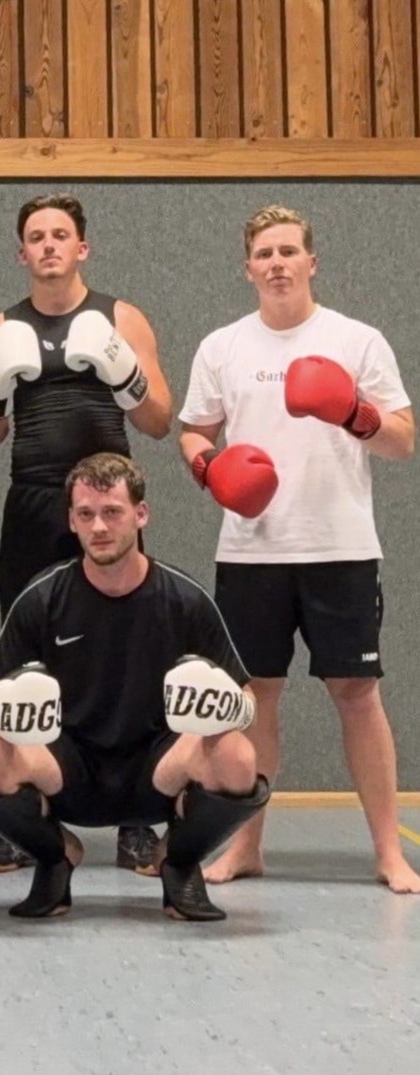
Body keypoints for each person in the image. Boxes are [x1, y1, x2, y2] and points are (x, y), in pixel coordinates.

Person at [179, 204, 420, 894]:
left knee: (357, 693)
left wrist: (354, 413)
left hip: (339, 545)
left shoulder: (357, 339)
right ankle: (246, 846)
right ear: (247, 268)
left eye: (289, 251)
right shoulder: (222, 346)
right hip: (251, 549)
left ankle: (389, 852)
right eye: (265, 253)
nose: (277, 263)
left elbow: (403, 441)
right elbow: (194, 430)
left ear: (312, 261)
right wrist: (210, 470)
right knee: (255, 698)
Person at [0, 454, 268, 921]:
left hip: (158, 769)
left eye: (112, 512)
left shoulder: (184, 599)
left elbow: (247, 696)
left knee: (237, 755)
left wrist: (231, 711)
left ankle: (178, 861)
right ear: (71, 521)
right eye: (85, 514)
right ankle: (54, 857)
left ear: (141, 515)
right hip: (66, 766)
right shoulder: (44, 596)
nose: (99, 527)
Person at [0, 193, 174, 875]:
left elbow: (159, 422)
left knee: (133, 654)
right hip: (32, 501)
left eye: (61, 234)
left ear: (82, 247)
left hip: (108, 501)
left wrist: (126, 372)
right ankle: (31, 816)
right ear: (21, 252)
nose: (49, 245)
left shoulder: (121, 316)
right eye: (37, 236)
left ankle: (139, 819)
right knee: (26, 661)